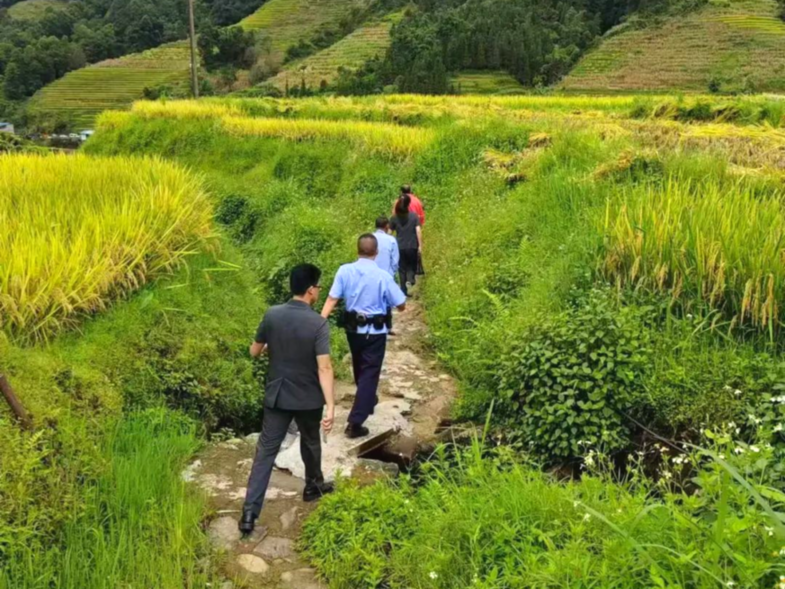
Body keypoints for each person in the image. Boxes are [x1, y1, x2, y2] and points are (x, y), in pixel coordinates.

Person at [239, 264, 336, 535]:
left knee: (265, 452)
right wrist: (330, 405)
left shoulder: (272, 315)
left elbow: (254, 352)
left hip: (278, 394)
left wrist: (273, 345)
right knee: (310, 440)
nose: (318, 291)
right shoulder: (318, 323)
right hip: (308, 396)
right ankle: (312, 486)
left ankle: (249, 512)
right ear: (310, 290)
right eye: (317, 287)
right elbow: (324, 367)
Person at [321, 234, 407, 438]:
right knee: (369, 373)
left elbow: (332, 299)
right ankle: (355, 422)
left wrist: (317, 322)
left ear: (357, 250)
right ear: (376, 253)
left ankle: (367, 399)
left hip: (353, 331)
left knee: (360, 367)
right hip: (375, 333)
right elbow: (401, 305)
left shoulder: (344, 271)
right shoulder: (383, 276)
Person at [389, 195, 422, 297]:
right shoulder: (414, 216)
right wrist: (420, 245)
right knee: (412, 264)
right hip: (412, 245)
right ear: (408, 205)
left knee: (401, 268)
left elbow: (389, 233)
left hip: (399, 246)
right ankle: (411, 279)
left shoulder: (394, 218)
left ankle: (403, 290)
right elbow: (418, 231)